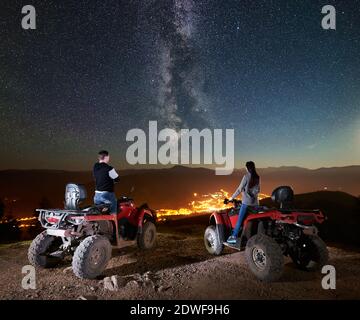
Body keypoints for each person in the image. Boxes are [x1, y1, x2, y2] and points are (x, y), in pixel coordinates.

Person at [227, 161, 260, 244]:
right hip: (255, 204)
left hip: (246, 203)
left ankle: (234, 237)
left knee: (239, 220)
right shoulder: (257, 177)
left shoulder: (246, 176)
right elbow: (258, 190)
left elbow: (239, 189)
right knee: (254, 221)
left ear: (247, 168)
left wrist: (231, 198)